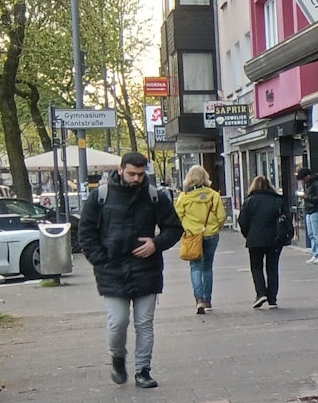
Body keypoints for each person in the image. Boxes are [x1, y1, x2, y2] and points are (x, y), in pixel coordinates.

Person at [77, 151, 183, 389]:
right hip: (112, 270)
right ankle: (117, 358)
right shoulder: (100, 197)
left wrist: (156, 244)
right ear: (120, 169)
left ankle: (143, 371)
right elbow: (86, 233)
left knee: (144, 322)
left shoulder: (155, 196)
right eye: (131, 173)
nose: (136, 178)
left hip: (147, 268)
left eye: (140, 174)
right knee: (118, 321)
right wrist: (100, 260)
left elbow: (174, 228)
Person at [174, 165, 225, 314]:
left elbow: (178, 216)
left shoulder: (184, 197)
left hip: (192, 235)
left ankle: (199, 300)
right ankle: (208, 300)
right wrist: (216, 228)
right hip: (210, 234)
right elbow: (221, 216)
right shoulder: (213, 195)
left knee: (195, 267)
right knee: (207, 267)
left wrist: (187, 228)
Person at [237, 176, 289, 309]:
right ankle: (272, 299)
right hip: (275, 239)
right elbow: (286, 219)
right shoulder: (278, 200)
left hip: (255, 240)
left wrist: (248, 235)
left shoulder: (249, 201)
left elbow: (242, 221)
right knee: (272, 268)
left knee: (256, 267)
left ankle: (260, 293)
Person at [299, 169, 318, 264]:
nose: (302, 182)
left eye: (302, 179)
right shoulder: (310, 184)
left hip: (317, 210)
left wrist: (307, 198)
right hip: (310, 210)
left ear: (307, 176)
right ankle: (316, 253)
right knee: (312, 234)